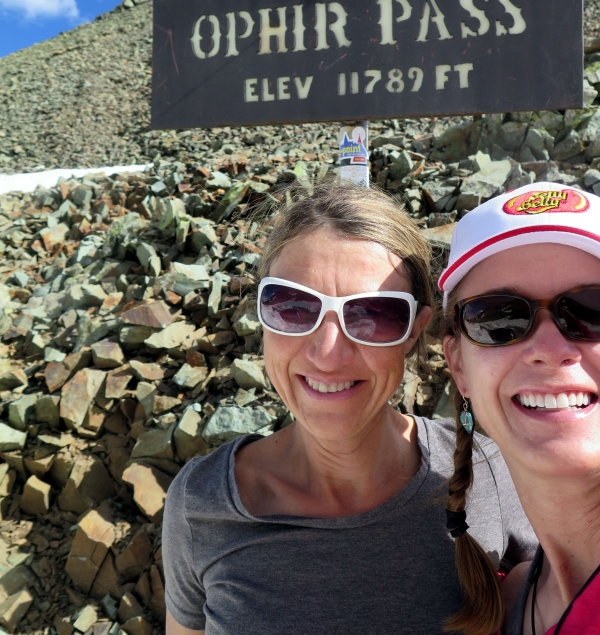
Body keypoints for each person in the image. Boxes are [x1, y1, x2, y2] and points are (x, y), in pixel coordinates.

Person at [163, 182, 536, 635]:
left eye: (373, 314)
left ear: (416, 330)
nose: (328, 353)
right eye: (293, 307)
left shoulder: (491, 469)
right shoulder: (199, 503)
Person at [440, 181, 600, 635]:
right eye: (499, 318)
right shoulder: (512, 603)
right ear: (458, 365)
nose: (550, 349)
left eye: (593, 310)